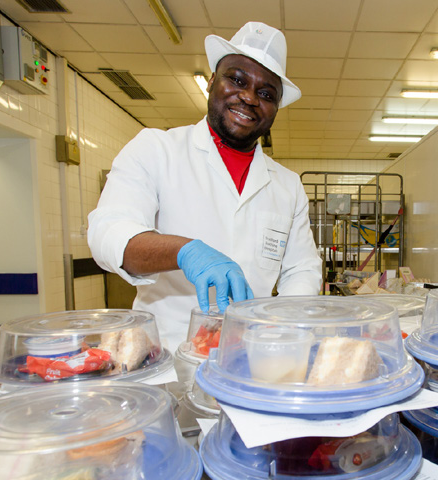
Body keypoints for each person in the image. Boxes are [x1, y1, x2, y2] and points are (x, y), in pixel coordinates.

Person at [88, 22, 321, 349]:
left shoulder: (287, 185)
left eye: (266, 93)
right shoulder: (157, 149)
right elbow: (107, 233)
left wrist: (283, 329)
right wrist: (184, 251)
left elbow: (302, 270)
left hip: (253, 356)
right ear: (212, 80)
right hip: (168, 356)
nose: (249, 97)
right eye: (237, 79)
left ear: (276, 108)